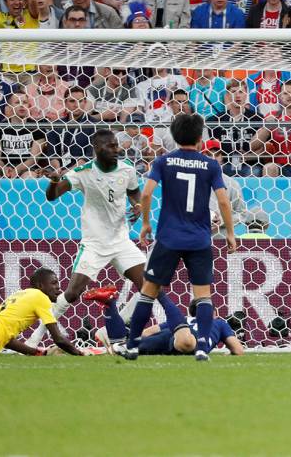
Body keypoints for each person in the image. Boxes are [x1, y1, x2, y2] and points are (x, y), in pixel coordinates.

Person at [24, 130, 158, 348]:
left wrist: (136, 205)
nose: (117, 150)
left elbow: (134, 191)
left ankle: (113, 327)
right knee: (72, 293)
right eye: (111, 146)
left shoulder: (127, 169)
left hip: (121, 241)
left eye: (117, 145)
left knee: (150, 287)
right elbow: (52, 195)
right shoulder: (83, 172)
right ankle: (34, 338)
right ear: (97, 148)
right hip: (94, 244)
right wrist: (54, 182)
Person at [124, 112, 237, 361]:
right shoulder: (211, 165)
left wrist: (145, 224)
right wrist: (229, 232)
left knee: (148, 291)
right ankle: (202, 347)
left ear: (174, 137)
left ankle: (132, 345)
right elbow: (223, 201)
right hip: (199, 240)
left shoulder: (164, 161)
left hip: (168, 238)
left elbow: (145, 194)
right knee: (203, 295)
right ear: (199, 138)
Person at [89, 287, 242, 355]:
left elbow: (147, 332)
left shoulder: (182, 320)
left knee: (124, 345)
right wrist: (231, 353)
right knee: (187, 343)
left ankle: (110, 305)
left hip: (169, 338)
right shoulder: (220, 323)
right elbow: (238, 350)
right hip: (186, 341)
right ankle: (159, 292)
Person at [209, 78, 263, 177]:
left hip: (250, 165)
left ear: (246, 94)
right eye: (233, 92)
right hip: (225, 164)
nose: (237, 95)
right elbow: (212, 147)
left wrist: (248, 157)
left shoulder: (257, 118)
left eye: (241, 92)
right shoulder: (216, 120)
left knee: (253, 172)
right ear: (227, 95)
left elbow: (264, 148)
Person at [0, 92, 49, 178]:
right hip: (5, 167)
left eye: (24, 102)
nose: (21, 105)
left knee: (29, 177)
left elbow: (33, 159)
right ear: (10, 107)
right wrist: (4, 169)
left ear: (29, 105)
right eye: (17, 102)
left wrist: (17, 169)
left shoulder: (37, 128)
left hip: (27, 167)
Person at [203, 139, 248, 238]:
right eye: (209, 154)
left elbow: (242, 214)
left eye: (217, 154)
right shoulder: (194, 181)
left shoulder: (232, 184)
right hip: (197, 235)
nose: (214, 158)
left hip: (222, 237)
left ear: (222, 157)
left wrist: (222, 221)